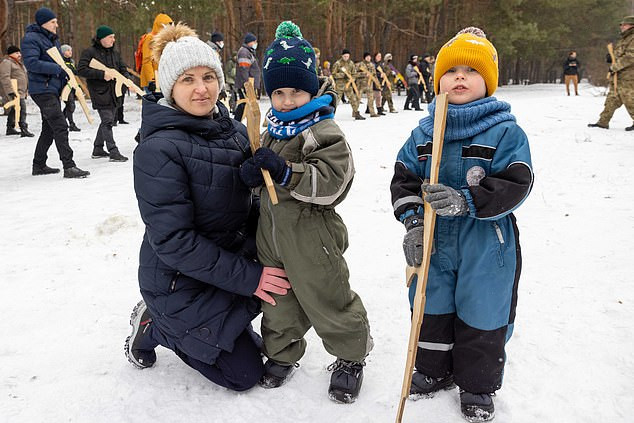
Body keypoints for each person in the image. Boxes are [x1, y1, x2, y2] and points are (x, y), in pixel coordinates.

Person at [125, 22, 290, 392]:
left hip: (228, 263)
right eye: (187, 79)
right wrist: (251, 278)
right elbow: (174, 242)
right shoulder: (158, 151)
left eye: (208, 76)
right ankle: (155, 325)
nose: (202, 89)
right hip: (179, 281)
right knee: (244, 376)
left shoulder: (230, 128)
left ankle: (228, 325)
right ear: (169, 86)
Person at [390, 27, 533, 422]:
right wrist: (415, 222)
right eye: (451, 70)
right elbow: (404, 179)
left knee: (482, 310)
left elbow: (517, 182)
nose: (459, 77)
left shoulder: (505, 131)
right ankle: (434, 371)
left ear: (488, 81)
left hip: (486, 241)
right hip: (436, 240)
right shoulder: (422, 133)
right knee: (430, 305)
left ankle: (477, 384)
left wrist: (467, 200)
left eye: (471, 70)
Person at [239, 21, 373, 403]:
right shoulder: (274, 128)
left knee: (327, 298)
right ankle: (282, 355)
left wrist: (286, 172)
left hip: (312, 236)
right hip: (273, 237)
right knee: (278, 303)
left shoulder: (322, 129)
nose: (285, 100)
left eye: (295, 91)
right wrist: (253, 173)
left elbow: (334, 181)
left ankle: (350, 356)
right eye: (278, 91)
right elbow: (264, 171)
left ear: (310, 88)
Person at [21, 7, 89, 178]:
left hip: (52, 89)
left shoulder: (53, 40)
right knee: (60, 125)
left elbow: (61, 65)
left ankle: (39, 164)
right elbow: (31, 64)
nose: (57, 25)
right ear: (44, 23)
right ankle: (69, 166)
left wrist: (65, 79)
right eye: (53, 22)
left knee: (49, 129)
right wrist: (57, 69)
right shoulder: (30, 39)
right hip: (41, 89)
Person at [77, 25, 129, 162]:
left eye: (114, 37)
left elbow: (123, 68)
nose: (113, 40)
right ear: (102, 39)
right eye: (110, 37)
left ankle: (98, 148)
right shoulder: (89, 52)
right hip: (99, 92)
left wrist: (125, 79)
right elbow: (81, 70)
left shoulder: (115, 53)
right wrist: (102, 74)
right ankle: (113, 151)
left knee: (109, 120)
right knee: (107, 121)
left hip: (115, 92)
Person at [588, 16, 634, 131]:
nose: (622, 26)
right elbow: (620, 55)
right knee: (612, 99)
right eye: (621, 25)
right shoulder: (624, 39)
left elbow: (630, 57)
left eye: (624, 24)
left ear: (632, 26)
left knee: (630, 99)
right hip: (618, 75)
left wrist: (614, 66)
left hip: (629, 76)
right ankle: (603, 122)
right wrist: (611, 57)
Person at [0, 46, 34, 137]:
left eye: (19, 53)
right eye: (16, 53)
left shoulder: (18, 63)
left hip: (21, 91)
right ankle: (23, 128)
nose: (19, 54)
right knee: (22, 109)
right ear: (10, 54)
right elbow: (5, 77)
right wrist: (10, 91)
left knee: (15, 109)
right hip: (14, 91)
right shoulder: (6, 62)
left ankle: (10, 128)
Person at [140, 13, 173, 93]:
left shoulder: (163, 39)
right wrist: (151, 80)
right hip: (153, 81)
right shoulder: (150, 38)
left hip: (161, 79)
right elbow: (147, 60)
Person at [234, 32, 260, 121]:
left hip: (249, 84)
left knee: (245, 106)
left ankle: (238, 123)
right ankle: (236, 123)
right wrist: (246, 85)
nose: (256, 44)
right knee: (243, 105)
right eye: (254, 41)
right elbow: (244, 69)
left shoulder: (248, 52)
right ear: (249, 42)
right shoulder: (244, 52)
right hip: (246, 84)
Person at [332, 49, 364, 120]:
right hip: (339, 85)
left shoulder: (351, 63)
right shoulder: (337, 63)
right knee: (336, 100)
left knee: (353, 99)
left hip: (348, 85)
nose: (346, 57)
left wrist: (351, 79)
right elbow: (334, 74)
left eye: (347, 56)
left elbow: (354, 74)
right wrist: (343, 75)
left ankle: (356, 113)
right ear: (342, 56)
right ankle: (331, 114)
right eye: (345, 56)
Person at [60, 44, 81, 132]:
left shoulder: (71, 62)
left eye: (71, 50)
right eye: (68, 50)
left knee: (70, 106)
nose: (70, 52)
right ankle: (71, 124)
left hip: (72, 85)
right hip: (64, 86)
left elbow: (74, 73)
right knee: (70, 105)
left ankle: (61, 121)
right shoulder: (61, 61)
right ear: (63, 52)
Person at [356, 52, 379, 117]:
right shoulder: (359, 65)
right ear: (364, 57)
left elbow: (374, 75)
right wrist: (363, 74)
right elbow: (354, 74)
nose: (368, 58)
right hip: (361, 84)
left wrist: (377, 83)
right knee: (358, 99)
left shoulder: (372, 65)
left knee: (371, 99)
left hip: (369, 84)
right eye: (367, 57)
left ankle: (372, 113)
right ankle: (355, 112)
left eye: (369, 57)